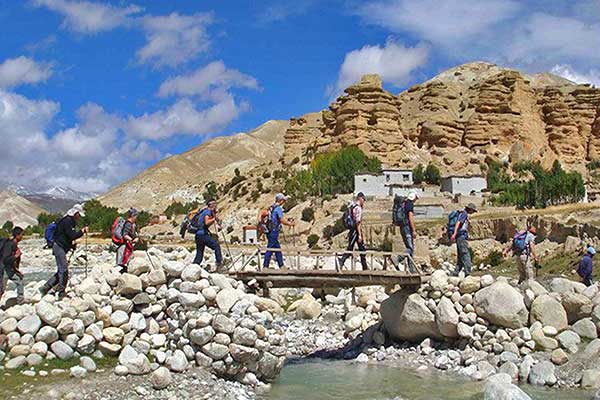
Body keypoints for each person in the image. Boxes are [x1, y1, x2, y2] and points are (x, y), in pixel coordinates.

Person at [40, 204, 88, 299]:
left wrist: (72, 244)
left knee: (61, 270)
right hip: (59, 247)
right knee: (64, 270)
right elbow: (72, 235)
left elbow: (66, 236)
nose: (79, 217)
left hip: (61, 247)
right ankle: (61, 292)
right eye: (79, 215)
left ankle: (45, 288)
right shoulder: (67, 221)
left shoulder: (70, 221)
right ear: (76, 213)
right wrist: (82, 231)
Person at [263, 193, 295, 269]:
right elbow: (281, 220)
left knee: (277, 248)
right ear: (280, 200)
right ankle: (265, 266)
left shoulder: (272, 207)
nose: (284, 202)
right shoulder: (278, 209)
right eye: (283, 200)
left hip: (269, 230)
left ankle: (281, 265)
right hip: (274, 231)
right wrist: (289, 224)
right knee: (270, 248)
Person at [339, 192, 368, 270]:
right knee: (355, 249)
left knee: (360, 248)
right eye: (363, 199)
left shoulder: (353, 206)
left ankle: (365, 267)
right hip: (356, 231)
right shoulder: (358, 208)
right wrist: (359, 234)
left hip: (353, 231)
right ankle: (341, 261)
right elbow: (358, 222)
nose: (364, 201)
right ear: (360, 198)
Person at [192, 199, 224, 271]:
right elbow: (206, 222)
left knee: (200, 252)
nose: (216, 205)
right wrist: (214, 219)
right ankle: (219, 264)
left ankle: (194, 266)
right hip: (203, 234)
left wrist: (215, 216)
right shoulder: (207, 212)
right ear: (212, 205)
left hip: (198, 235)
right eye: (215, 204)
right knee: (216, 246)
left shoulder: (205, 211)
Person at [451, 203, 478, 276]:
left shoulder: (462, 214)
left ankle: (456, 273)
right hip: (461, 236)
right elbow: (458, 223)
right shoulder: (464, 214)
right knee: (466, 254)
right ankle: (468, 273)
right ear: (470, 209)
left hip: (459, 236)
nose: (473, 213)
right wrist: (454, 233)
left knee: (460, 256)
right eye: (473, 211)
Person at [0, 227, 25, 304]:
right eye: (21, 235)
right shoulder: (10, 245)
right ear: (17, 235)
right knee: (1, 289)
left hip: (10, 269)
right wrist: (16, 256)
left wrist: (17, 270)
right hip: (4, 269)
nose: (22, 237)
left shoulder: (14, 244)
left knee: (19, 280)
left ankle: (20, 302)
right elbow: (5, 259)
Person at [398, 190, 418, 273]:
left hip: (402, 227)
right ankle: (398, 258)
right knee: (410, 248)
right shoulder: (409, 204)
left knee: (410, 249)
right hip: (407, 228)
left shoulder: (403, 203)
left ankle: (411, 270)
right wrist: (414, 230)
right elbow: (410, 218)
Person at [116, 208, 139, 273]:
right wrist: (132, 240)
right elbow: (124, 235)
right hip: (124, 247)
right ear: (133, 215)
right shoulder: (128, 224)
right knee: (121, 264)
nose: (136, 217)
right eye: (136, 215)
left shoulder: (133, 224)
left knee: (125, 263)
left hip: (127, 246)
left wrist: (136, 238)